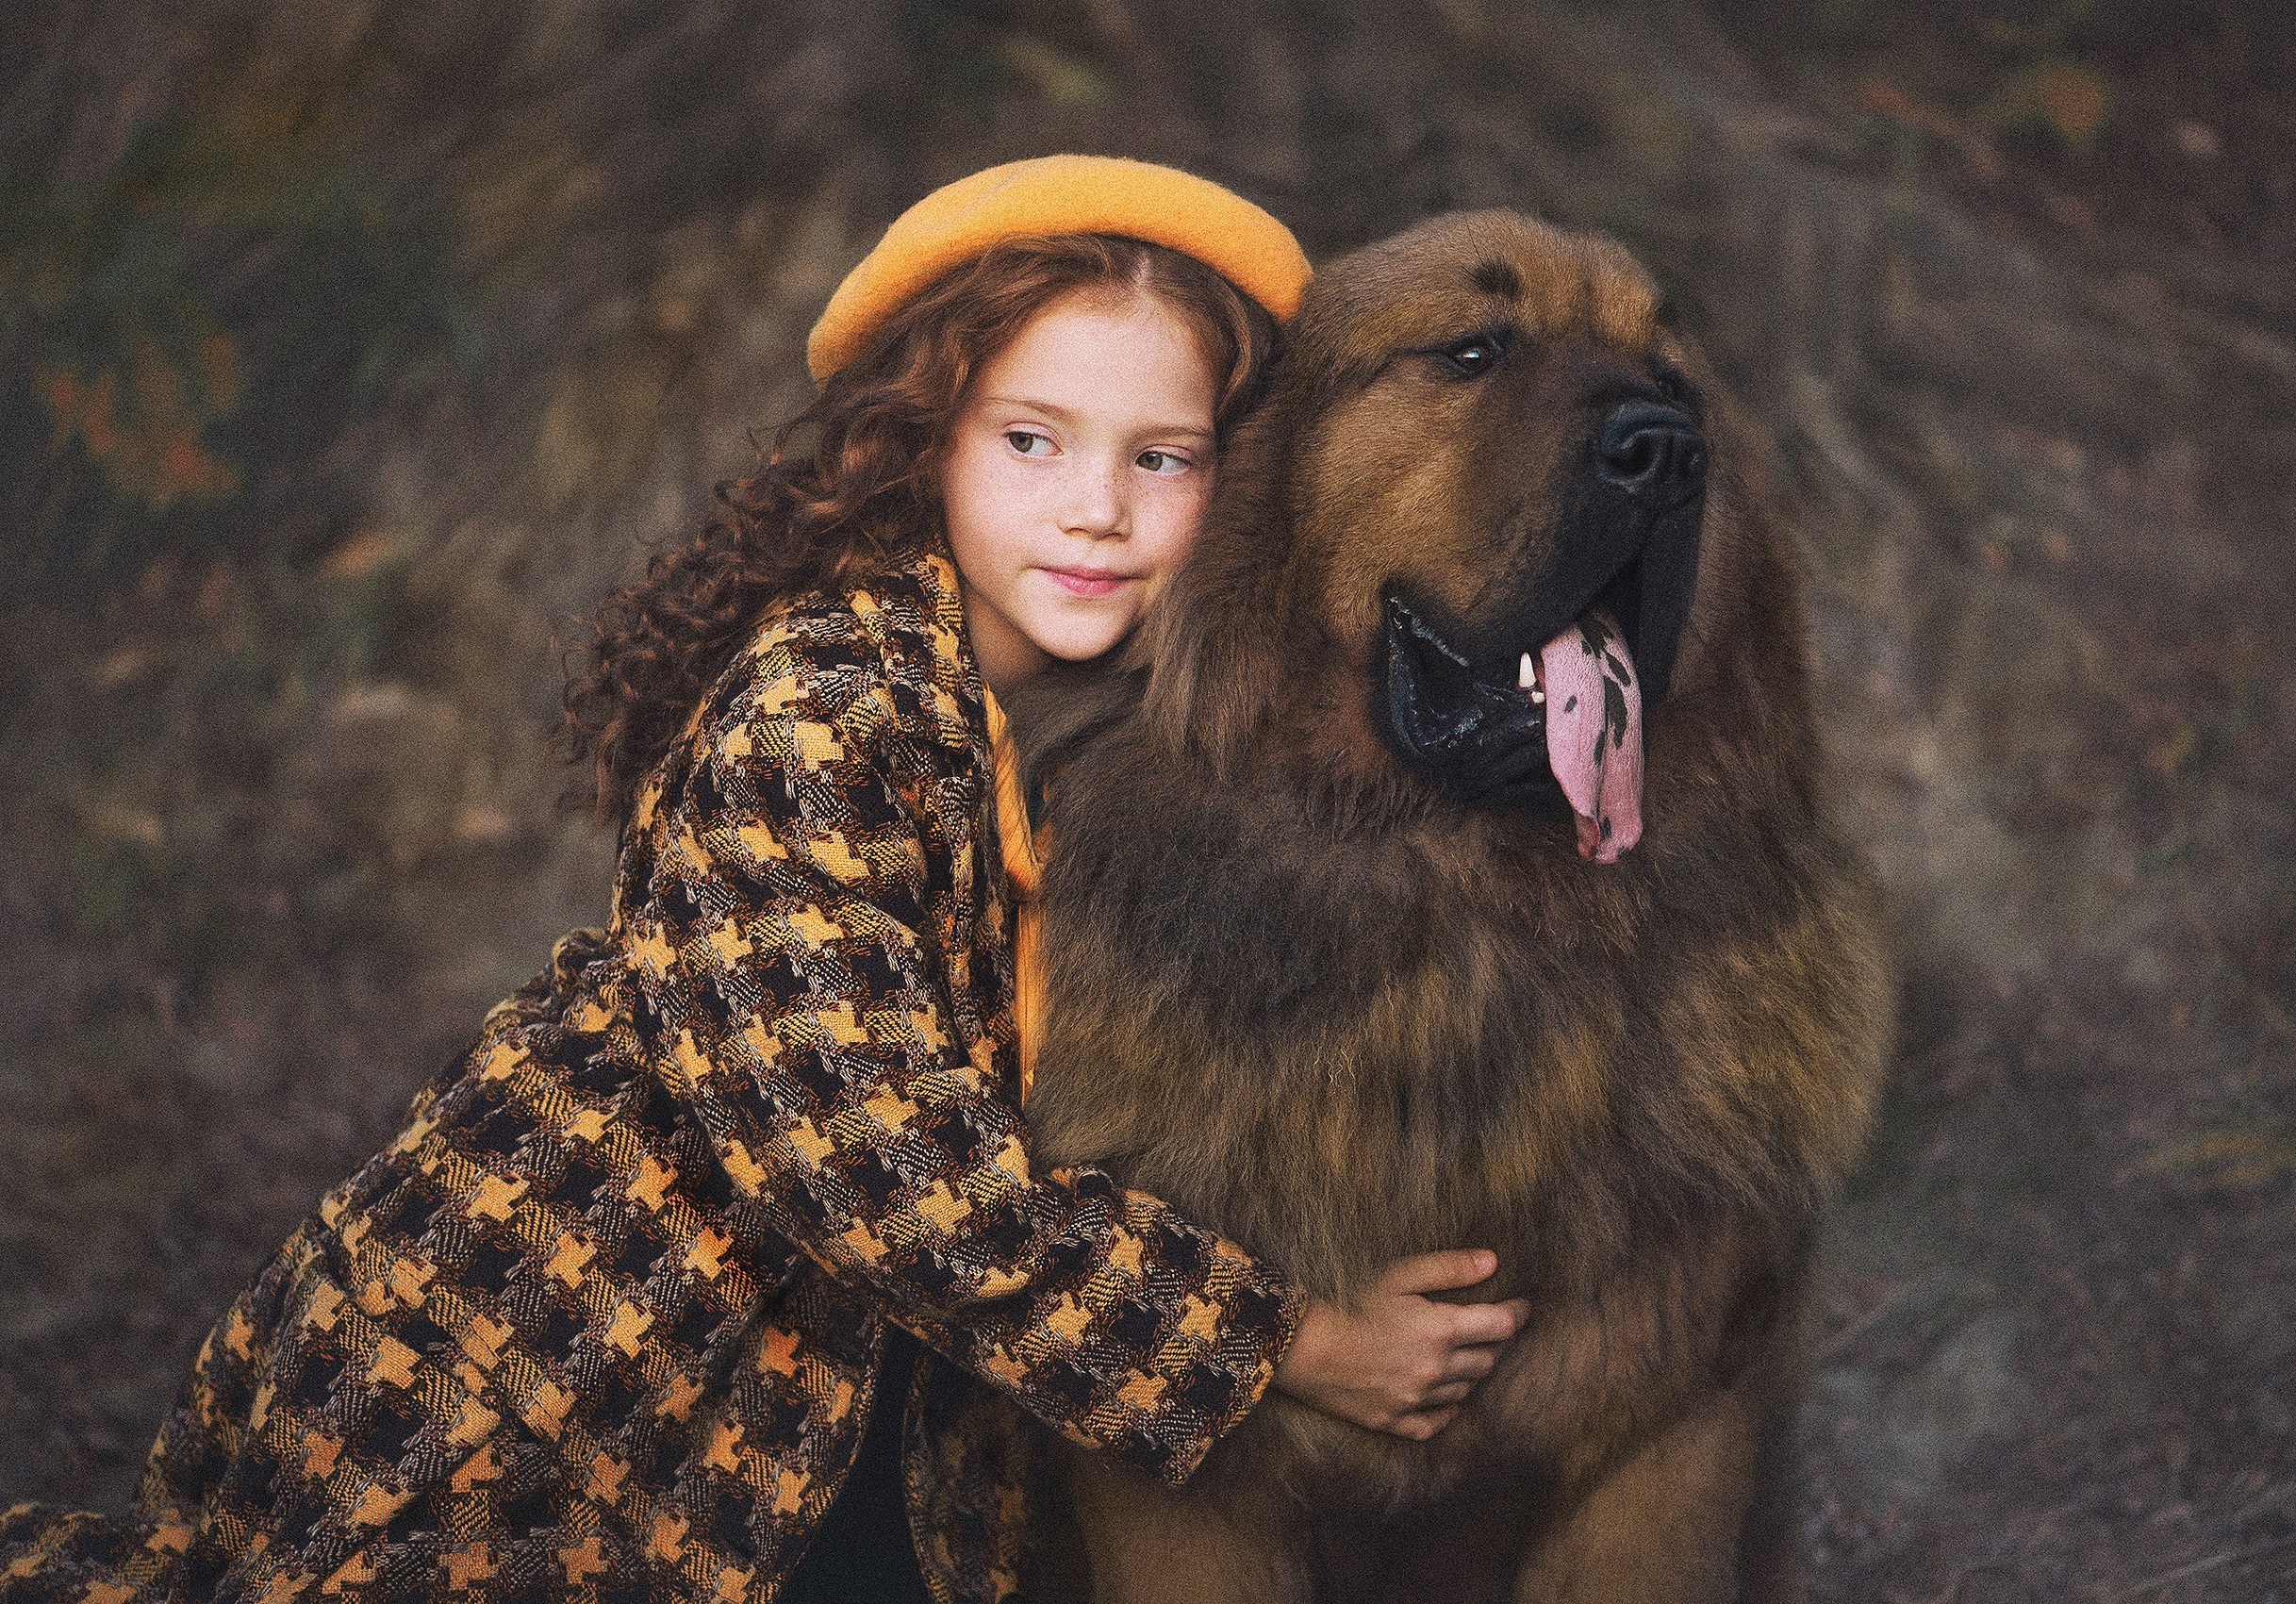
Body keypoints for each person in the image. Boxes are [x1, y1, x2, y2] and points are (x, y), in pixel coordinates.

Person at [0, 156, 1528, 1604]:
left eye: (1162, 457)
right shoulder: (825, 707)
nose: (1097, 508)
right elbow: (878, 1163)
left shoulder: (1112, 736)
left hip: (841, 1413)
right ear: (928, 439)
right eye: (1031, 439)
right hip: (562, 1385)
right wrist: (1289, 1341)